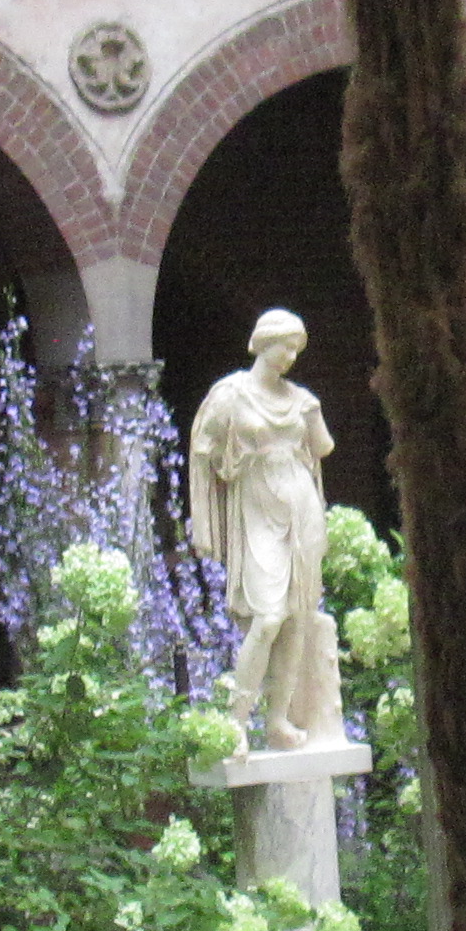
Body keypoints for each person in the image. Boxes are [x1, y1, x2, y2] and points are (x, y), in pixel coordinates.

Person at [187, 308, 341, 750]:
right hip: (256, 506)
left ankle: (277, 720)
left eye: (296, 349)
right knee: (268, 617)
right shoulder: (231, 394)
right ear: (261, 343)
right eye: (284, 346)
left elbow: (324, 447)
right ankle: (237, 720)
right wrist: (211, 503)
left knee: (297, 618)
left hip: (300, 505)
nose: (290, 356)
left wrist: (311, 416)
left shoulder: (301, 399)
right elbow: (203, 449)